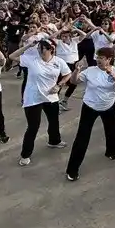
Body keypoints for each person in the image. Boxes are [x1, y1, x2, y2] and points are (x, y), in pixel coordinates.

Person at [65, 47, 115, 181]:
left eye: (101, 58)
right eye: (97, 57)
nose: (98, 60)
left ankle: (112, 152)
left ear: (109, 59)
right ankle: (72, 169)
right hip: (90, 107)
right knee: (82, 137)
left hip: (108, 107)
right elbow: (74, 81)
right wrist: (76, 71)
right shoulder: (90, 71)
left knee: (111, 131)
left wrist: (112, 74)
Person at [9, 38, 71, 166]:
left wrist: (59, 85)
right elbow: (12, 56)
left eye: (41, 48)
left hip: (51, 97)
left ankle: (54, 141)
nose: (38, 50)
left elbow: (67, 74)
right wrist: (28, 46)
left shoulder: (59, 62)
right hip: (33, 98)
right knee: (33, 127)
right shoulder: (31, 60)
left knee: (54, 121)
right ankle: (25, 155)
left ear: (50, 49)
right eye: (38, 48)